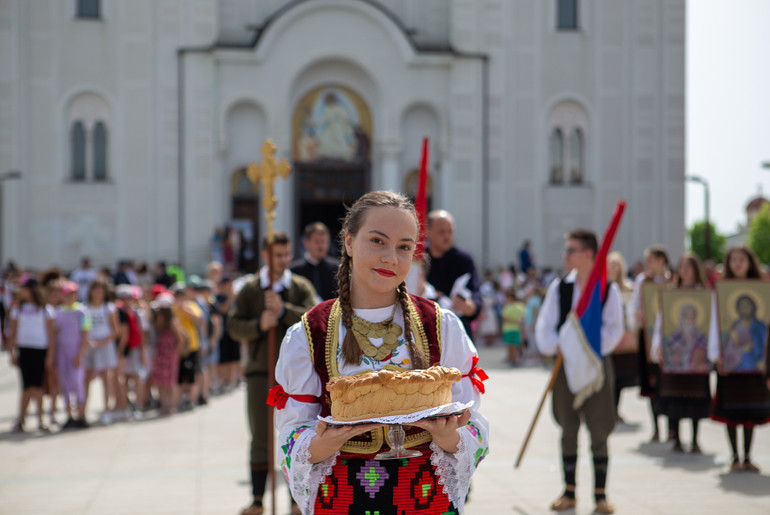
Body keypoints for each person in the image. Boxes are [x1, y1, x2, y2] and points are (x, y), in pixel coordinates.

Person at [272, 191, 489, 514]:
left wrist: (451, 438)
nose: (391, 257)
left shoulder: (441, 325)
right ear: (348, 242)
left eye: (404, 247)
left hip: (426, 498)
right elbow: (292, 432)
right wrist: (322, 444)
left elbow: (475, 424)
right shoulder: (309, 332)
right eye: (377, 241)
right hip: (343, 497)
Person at [535, 230, 623, 514]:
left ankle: (600, 495)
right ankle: (569, 491)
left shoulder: (607, 289)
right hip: (564, 367)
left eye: (571, 250)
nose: (566, 255)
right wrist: (559, 347)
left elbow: (614, 329)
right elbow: (545, 326)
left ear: (588, 255)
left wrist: (588, 350)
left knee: (599, 428)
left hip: (596, 367)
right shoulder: (560, 288)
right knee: (568, 427)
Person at [228, 231, 317, 515]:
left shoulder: (299, 286)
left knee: (297, 432)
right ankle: (257, 499)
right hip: (259, 373)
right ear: (265, 256)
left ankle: (295, 499)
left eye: (286, 255)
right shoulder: (252, 289)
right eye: (277, 255)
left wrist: (283, 312)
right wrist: (258, 324)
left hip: (296, 377)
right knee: (261, 437)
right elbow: (233, 325)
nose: (282, 260)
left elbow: (312, 320)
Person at [708, 245, 770, 473]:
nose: (737, 263)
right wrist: (717, 356)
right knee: (732, 411)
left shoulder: (762, 290)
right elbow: (716, 326)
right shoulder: (720, 291)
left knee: (751, 411)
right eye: (733, 259)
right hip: (731, 365)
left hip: (755, 365)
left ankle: (748, 455)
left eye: (741, 259)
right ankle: (735, 456)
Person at [650, 253, 712, 453]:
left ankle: (695, 440)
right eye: (682, 266)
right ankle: (676, 438)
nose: (684, 270)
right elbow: (662, 324)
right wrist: (659, 346)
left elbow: (709, 327)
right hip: (675, 358)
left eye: (689, 266)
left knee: (695, 398)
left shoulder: (704, 294)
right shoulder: (670, 294)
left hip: (696, 360)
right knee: (674, 398)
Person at [628, 245, 672, 442]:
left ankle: (672, 428)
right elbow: (635, 306)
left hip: (670, 340)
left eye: (651, 260)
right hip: (648, 337)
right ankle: (656, 428)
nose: (648, 264)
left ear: (661, 260)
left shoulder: (673, 280)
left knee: (670, 385)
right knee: (653, 383)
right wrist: (638, 314)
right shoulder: (642, 281)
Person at [7, 277, 56, 432]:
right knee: (26, 386)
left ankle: (41, 418)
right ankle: (21, 418)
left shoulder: (45, 309)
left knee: (38, 386)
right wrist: (11, 353)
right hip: (24, 350)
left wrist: (50, 355)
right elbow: (12, 333)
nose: (22, 292)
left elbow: (51, 335)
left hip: (40, 350)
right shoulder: (18, 309)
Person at [425, 209, 482, 339]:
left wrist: (470, 307)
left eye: (450, 231)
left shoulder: (464, 259)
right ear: (428, 231)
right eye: (441, 232)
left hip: (459, 332)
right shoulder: (418, 259)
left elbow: (475, 293)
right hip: (427, 332)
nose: (447, 236)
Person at [54, 281, 91, 428]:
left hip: (76, 352)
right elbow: (56, 334)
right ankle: (69, 416)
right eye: (66, 294)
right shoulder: (59, 312)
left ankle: (81, 415)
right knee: (65, 383)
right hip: (62, 353)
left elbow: (85, 334)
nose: (69, 297)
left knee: (77, 383)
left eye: (72, 294)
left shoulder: (82, 311)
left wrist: (80, 354)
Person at [83, 280, 120, 426]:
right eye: (95, 290)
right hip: (89, 346)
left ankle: (106, 410)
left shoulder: (109, 308)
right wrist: (89, 342)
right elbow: (84, 328)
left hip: (105, 345)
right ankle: (83, 410)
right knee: (86, 379)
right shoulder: (85, 308)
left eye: (101, 290)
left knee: (106, 379)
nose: (98, 293)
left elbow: (116, 331)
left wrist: (102, 342)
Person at [606, 251, 637, 424]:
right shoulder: (601, 287)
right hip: (607, 339)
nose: (613, 267)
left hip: (623, 339)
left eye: (616, 263)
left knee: (619, 377)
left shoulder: (627, 288)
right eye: (610, 263)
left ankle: (615, 410)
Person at [150, 293, 185, 415]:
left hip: (170, 354)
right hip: (161, 354)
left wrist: (176, 354)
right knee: (161, 381)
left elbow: (180, 339)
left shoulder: (172, 321)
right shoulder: (161, 320)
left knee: (170, 382)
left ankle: (172, 405)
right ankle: (164, 405)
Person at [291, 222, 340, 302]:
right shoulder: (295, 270)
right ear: (306, 243)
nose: (321, 246)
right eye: (317, 242)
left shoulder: (337, 268)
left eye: (324, 242)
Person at [502, 288, 526, 366]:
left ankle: (513, 360)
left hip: (509, 329)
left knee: (511, 346)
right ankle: (515, 361)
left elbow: (505, 319)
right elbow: (522, 319)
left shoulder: (507, 307)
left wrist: (511, 321)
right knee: (515, 346)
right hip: (516, 329)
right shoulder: (521, 306)